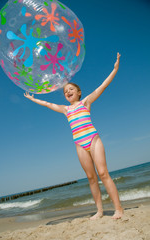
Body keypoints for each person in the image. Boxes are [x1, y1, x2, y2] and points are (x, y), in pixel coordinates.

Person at [24, 52, 123, 220]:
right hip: (79, 144)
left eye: (71, 89)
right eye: (65, 91)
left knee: (103, 173)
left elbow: (103, 86)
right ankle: (99, 211)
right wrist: (33, 99)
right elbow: (48, 104)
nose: (67, 92)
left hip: (93, 140)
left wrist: (115, 68)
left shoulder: (86, 102)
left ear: (78, 92)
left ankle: (118, 209)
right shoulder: (66, 110)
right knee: (91, 178)